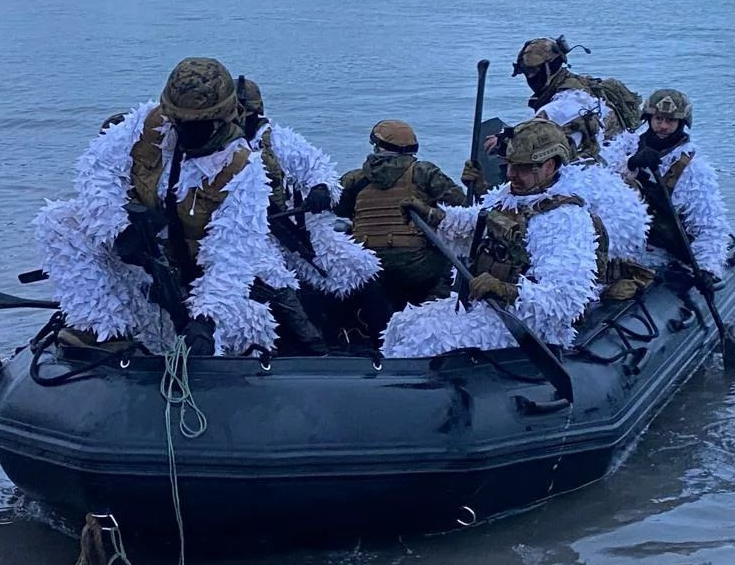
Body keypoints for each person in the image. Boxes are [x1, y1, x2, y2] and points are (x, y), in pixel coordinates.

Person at [33, 57, 309, 356]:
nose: (186, 130)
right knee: (59, 220)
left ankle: (206, 343)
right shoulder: (146, 125)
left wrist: (206, 319)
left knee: (246, 326)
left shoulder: (242, 169)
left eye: (197, 124)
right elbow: (98, 171)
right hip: (144, 269)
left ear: (224, 117)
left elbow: (232, 257)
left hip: (197, 283)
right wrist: (120, 230)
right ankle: (103, 327)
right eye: (180, 122)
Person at [383, 119, 602, 357]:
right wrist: (433, 215)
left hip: (525, 323)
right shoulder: (508, 196)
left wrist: (505, 290)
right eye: (509, 166)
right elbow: (474, 223)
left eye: (523, 168)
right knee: (401, 325)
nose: (511, 175)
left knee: (428, 340)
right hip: (483, 306)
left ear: (549, 166)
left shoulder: (565, 219)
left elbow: (565, 299)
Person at [232, 75, 382, 353]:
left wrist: (321, 188)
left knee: (359, 267)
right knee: (277, 283)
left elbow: (317, 166)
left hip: (298, 228)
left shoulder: (279, 141)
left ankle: (383, 341)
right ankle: (314, 348)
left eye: (245, 113)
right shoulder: (217, 149)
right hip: (251, 239)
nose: (240, 120)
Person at [335, 120, 466, 310]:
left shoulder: (355, 178)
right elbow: (461, 205)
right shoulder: (423, 172)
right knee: (452, 256)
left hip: (367, 264)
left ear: (377, 147)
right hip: (416, 264)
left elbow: (340, 209)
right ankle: (438, 305)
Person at [625, 89, 730, 279]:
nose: (663, 126)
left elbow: (710, 226)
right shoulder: (626, 148)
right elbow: (603, 188)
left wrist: (707, 268)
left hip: (664, 251)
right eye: (658, 119)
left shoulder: (693, 169)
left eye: (670, 121)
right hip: (627, 246)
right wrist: (631, 164)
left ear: (681, 124)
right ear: (648, 119)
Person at [500, 36, 642, 162]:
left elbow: (536, 135)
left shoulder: (567, 101)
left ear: (551, 68)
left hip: (595, 172)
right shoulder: (578, 84)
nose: (529, 78)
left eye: (532, 72)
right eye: (526, 73)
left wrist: (502, 141)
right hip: (613, 157)